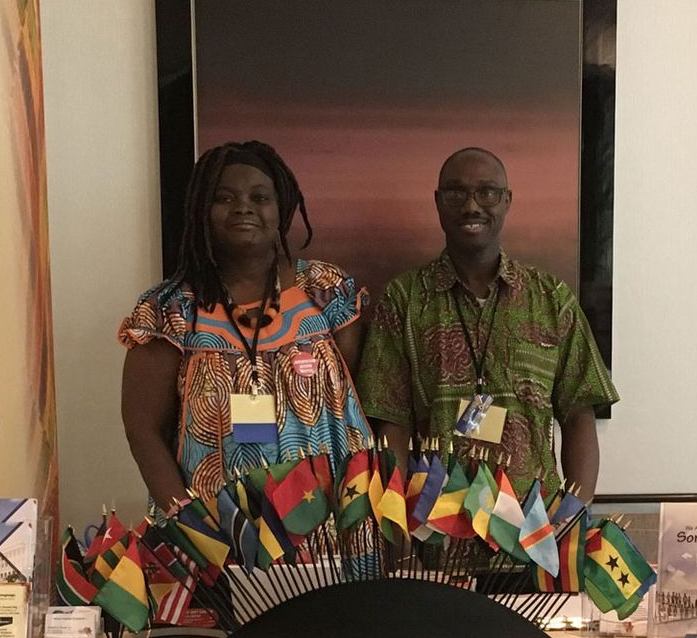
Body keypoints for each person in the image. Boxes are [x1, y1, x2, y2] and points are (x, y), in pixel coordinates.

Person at [119, 141, 375, 511]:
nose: (243, 207)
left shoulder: (327, 291)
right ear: (201, 211)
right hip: (220, 530)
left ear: (281, 208)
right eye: (224, 198)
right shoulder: (169, 311)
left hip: (332, 516)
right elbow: (143, 431)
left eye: (260, 197)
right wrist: (190, 524)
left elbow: (354, 402)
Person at [358, 148, 617, 498]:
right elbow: (391, 422)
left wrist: (573, 515)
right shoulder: (404, 300)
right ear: (437, 201)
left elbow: (579, 414)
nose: (471, 206)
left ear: (507, 200)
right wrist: (397, 522)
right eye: (456, 192)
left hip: (535, 531)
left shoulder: (551, 299)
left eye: (487, 192)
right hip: (435, 531)